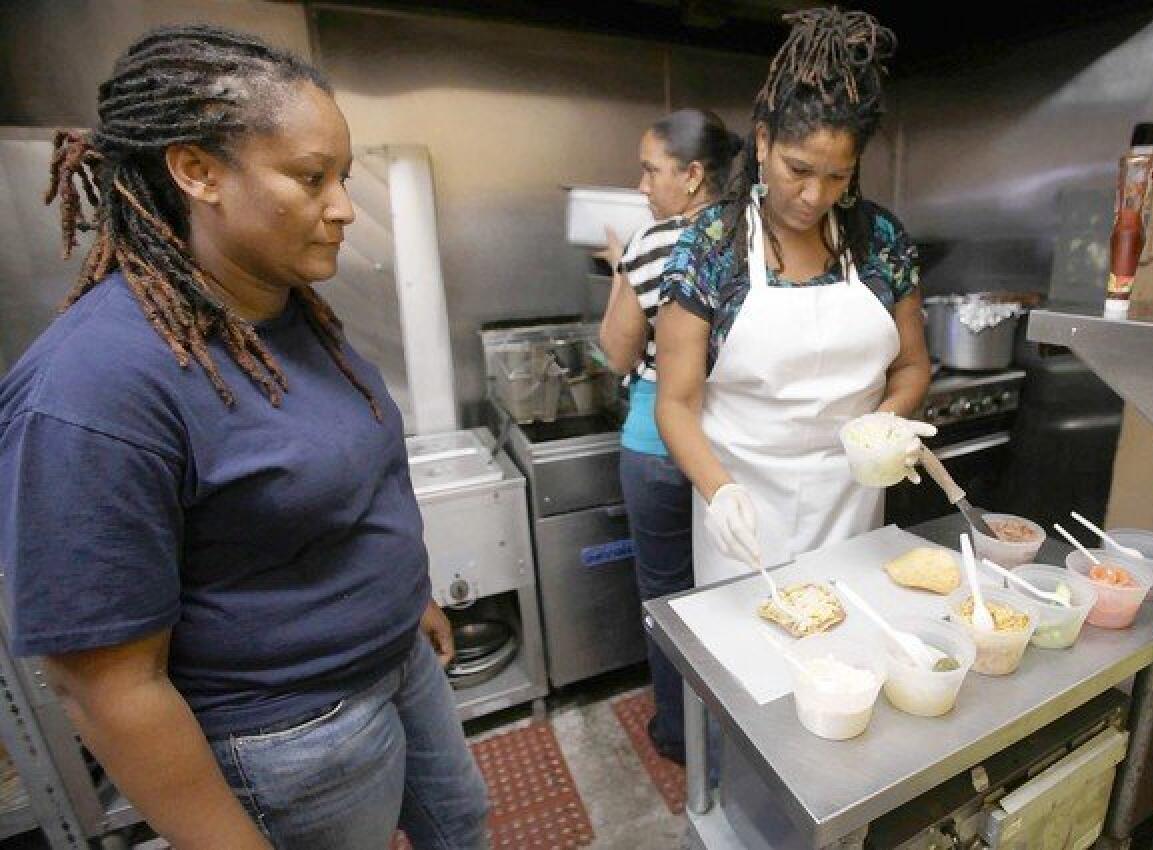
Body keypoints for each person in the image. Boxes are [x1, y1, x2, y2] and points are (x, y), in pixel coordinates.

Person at [0, 25, 488, 850]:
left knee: (462, 826)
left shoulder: (288, 311)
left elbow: (343, 494)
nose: (343, 206)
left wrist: (409, 603)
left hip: (398, 665)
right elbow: (108, 688)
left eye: (341, 175)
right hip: (291, 735)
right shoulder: (94, 388)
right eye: (310, 177)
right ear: (198, 171)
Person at [655, 8, 935, 586]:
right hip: (744, 522)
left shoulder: (881, 241)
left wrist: (884, 427)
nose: (814, 196)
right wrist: (719, 491)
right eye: (799, 168)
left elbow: (911, 367)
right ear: (763, 142)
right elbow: (675, 404)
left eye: (838, 177)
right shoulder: (710, 249)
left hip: (855, 514)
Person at [597, 109, 741, 764]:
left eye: (651, 169)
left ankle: (682, 736)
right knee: (735, 592)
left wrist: (622, 268)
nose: (641, 183)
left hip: (658, 443)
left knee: (669, 597)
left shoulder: (654, 241)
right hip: (735, 445)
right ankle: (744, 738)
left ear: (691, 174)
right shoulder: (751, 237)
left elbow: (619, 354)